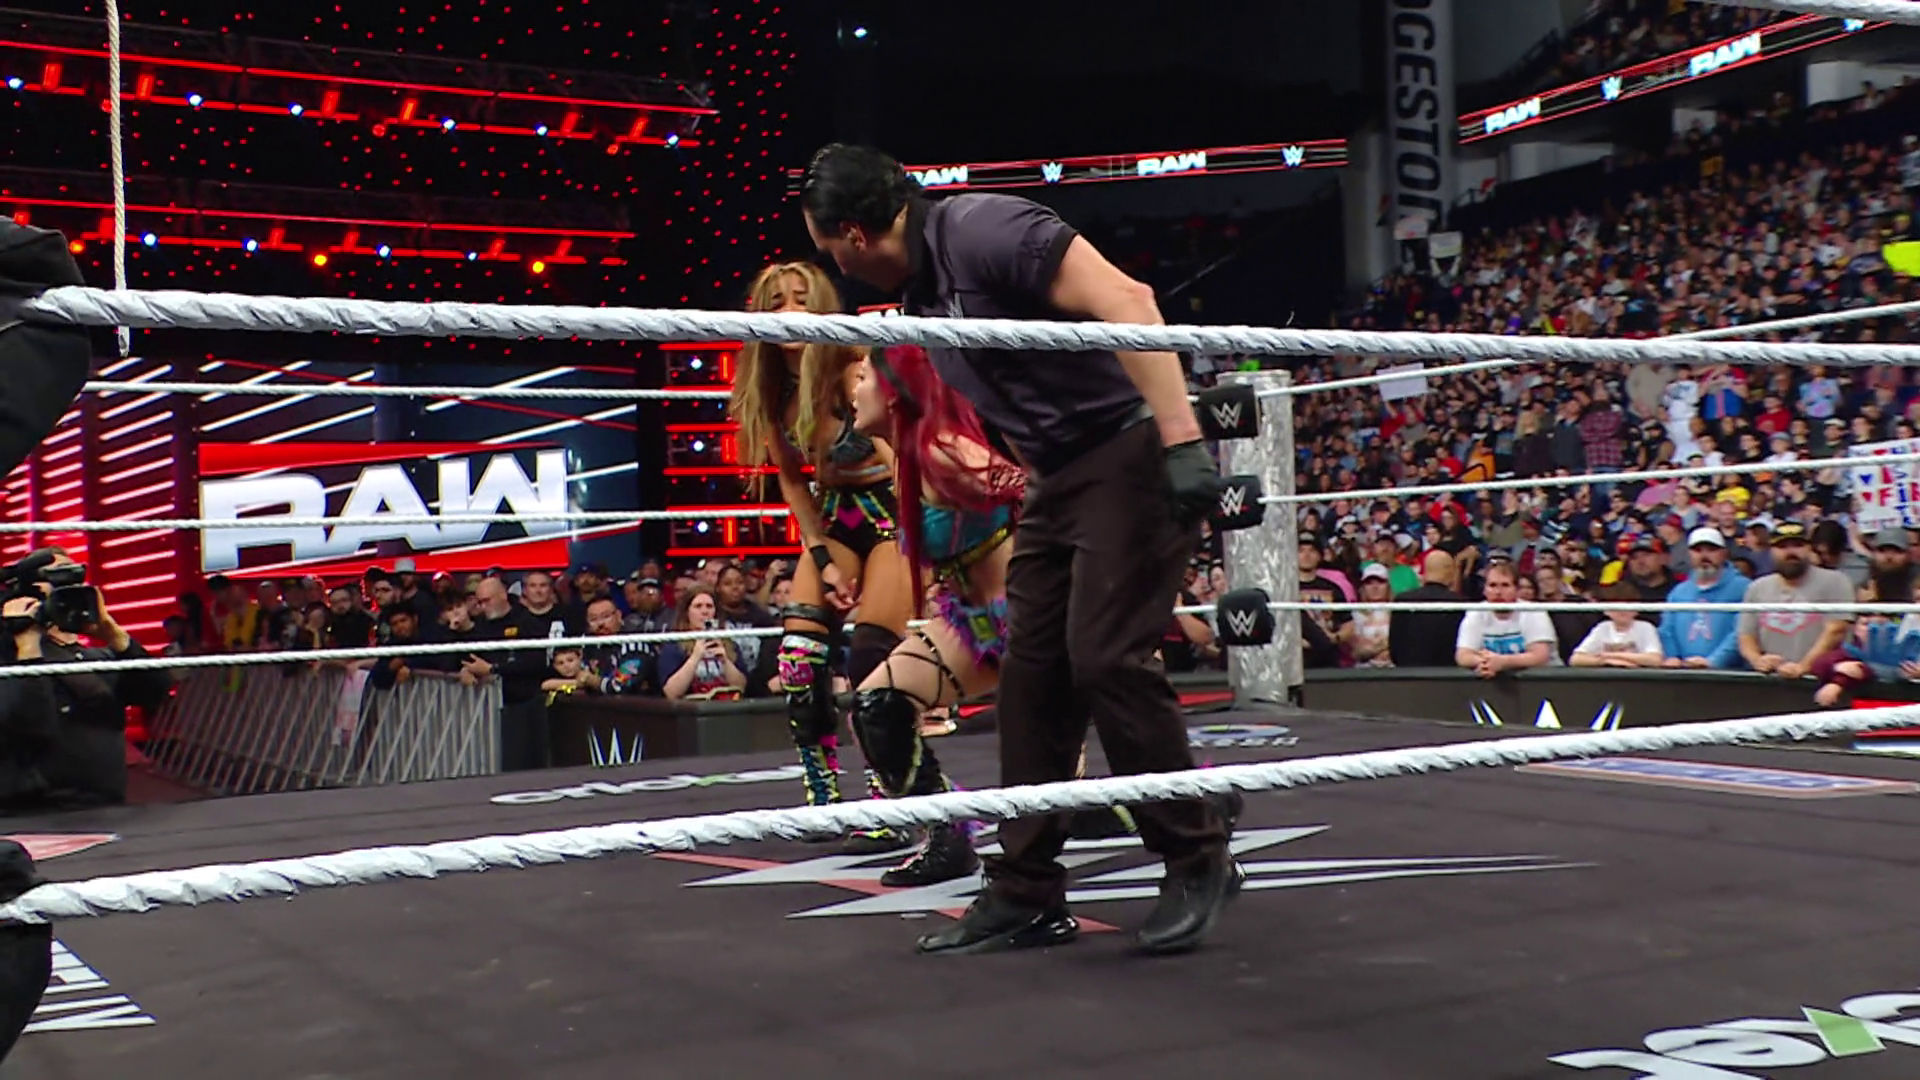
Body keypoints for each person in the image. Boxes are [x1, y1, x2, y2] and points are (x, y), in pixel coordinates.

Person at [801, 143, 1236, 957]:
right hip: (1056, 476)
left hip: (1129, 447)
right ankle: (1025, 888)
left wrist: (1181, 440)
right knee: (1032, 675)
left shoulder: (983, 229)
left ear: (854, 235)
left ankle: (1196, 853)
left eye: (829, 251)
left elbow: (1130, 300)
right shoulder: (925, 293)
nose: (837, 268)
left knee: (1105, 656)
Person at [730, 260, 913, 852]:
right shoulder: (771, 390)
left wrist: (926, 541)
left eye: (802, 300)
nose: (790, 313)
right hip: (836, 517)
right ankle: (822, 796)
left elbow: (901, 455)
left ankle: (890, 797)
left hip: (891, 513)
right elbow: (792, 480)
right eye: (777, 302)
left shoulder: (851, 365)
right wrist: (821, 557)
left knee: (871, 659)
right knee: (799, 659)